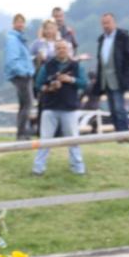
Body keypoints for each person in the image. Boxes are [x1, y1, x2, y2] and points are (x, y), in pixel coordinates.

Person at [32, 41, 87, 176]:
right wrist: (49, 87)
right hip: (50, 107)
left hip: (69, 108)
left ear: (68, 50)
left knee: (73, 139)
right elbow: (38, 85)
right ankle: (38, 168)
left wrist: (70, 80)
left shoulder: (76, 66)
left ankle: (78, 168)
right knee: (45, 139)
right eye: (58, 48)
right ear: (55, 50)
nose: (61, 50)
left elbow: (84, 84)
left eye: (64, 48)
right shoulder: (47, 66)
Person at [92, 13, 129, 132]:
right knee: (112, 109)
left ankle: (125, 132)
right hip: (106, 79)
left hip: (118, 79)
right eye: (103, 23)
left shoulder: (124, 37)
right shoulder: (102, 39)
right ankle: (118, 132)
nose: (106, 25)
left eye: (108, 22)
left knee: (119, 107)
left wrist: (125, 74)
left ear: (114, 22)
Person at [4, 13, 35, 140]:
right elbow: (12, 59)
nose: (21, 24)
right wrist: (24, 72)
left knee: (24, 104)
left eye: (22, 22)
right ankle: (22, 133)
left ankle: (23, 131)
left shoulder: (20, 39)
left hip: (23, 73)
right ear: (14, 23)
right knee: (27, 104)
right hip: (21, 75)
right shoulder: (13, 39)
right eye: (18, 22)